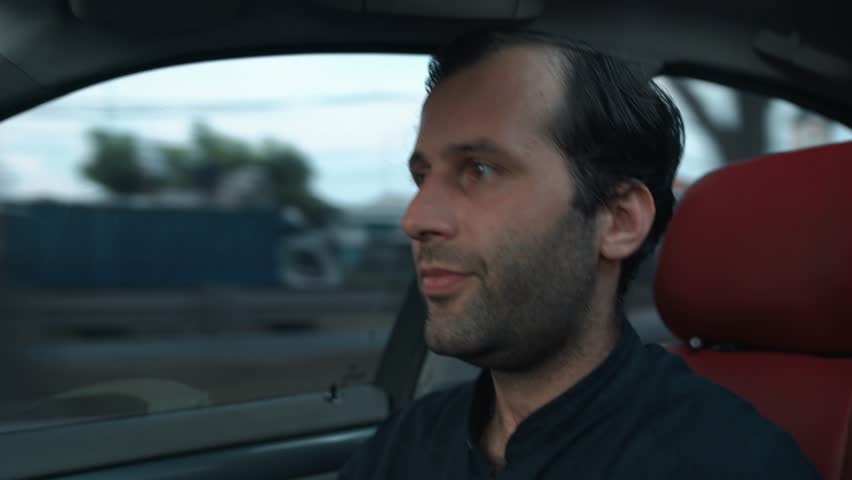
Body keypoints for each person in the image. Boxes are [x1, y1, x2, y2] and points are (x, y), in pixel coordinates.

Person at [339, 27, 820, 479]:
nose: (415, 218)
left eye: (480, 170)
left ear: (618, 221)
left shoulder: (730, 463)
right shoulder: (405, 445)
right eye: (423, 177)